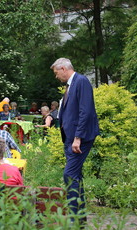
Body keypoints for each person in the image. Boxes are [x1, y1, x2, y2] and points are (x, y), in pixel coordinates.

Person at [51, 58, 99, 219]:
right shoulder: (71, 85)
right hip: (69, 138)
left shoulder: (81, 81)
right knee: (75, 175)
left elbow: (86, 111)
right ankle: (80, 217)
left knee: (69, 175)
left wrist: (78, 137)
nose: (57, 77)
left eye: (57, 73)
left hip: (79, 139)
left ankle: (73, 218)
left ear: (64, 69)